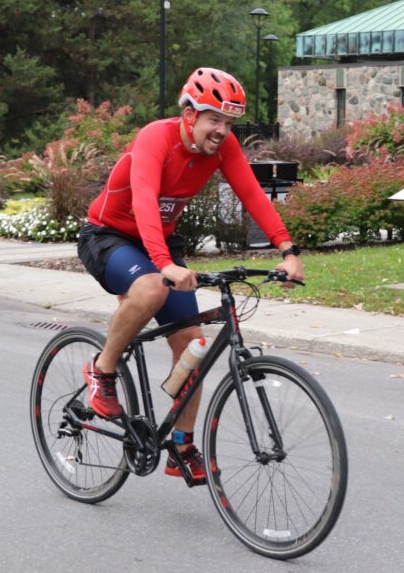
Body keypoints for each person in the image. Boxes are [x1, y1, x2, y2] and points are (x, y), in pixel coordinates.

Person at [76, 67, 304, 485]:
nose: (222, 130)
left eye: (229, 122)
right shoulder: (156, 138)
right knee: (151, 289)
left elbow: (252, 194)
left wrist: (288, 251)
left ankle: (181, 446)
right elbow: (145, 201)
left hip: (159, 243)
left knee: (193, 345)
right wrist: (164, 265)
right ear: (189, 115)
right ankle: (102, 369)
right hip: (108, 236)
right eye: (214, 119)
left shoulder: (222, 147)